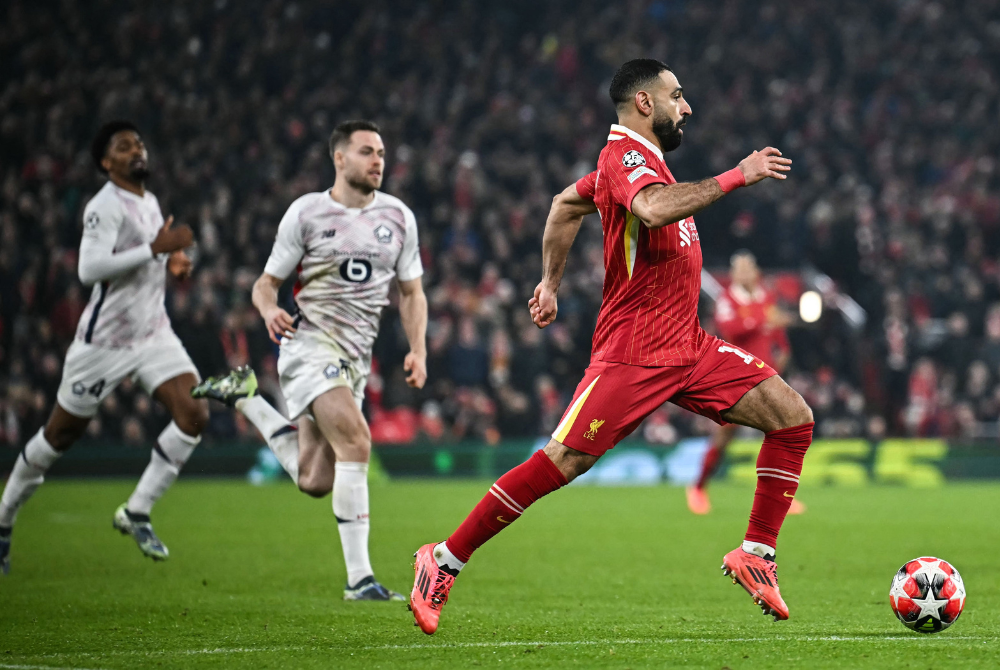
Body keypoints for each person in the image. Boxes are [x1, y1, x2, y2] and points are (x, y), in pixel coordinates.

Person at [409, 59, 812, 634]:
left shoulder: (640, 166)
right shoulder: (624, 157)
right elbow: (648, 209)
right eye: (678, 95)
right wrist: (735, 176)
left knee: (793, 417)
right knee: (563, 462)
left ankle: (756, 554)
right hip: (635, 351)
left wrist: (549, 282)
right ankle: (442, 559)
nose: (687, 106)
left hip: (689, 346)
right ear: (645, 103)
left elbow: (563, 206)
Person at [193, 120, 427, 601]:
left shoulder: (399, 217)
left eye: (381, 151)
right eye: (366, 151)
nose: (378, 160)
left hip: (356, 360)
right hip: (309, 345)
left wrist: (418, 348)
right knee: (357, 441)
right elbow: (264, 284)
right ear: (339, 159)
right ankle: (359, 579)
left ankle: (248, 401)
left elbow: (411, 292)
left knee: (314, 481)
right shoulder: (306, 214)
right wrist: (267, 309)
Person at [0, 121, 207, 573]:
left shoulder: (149, 201)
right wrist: (156, 247)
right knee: (59, 436)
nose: (137, 148)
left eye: (139, 141)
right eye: (124, 145)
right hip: (104, 343)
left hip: (153, 334)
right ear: (105, 162)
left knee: (194, 413)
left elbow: (148, 260)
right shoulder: (103, 206)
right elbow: (89, 269)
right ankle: (3, 521)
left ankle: (137, 510)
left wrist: (171, 263)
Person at [687, 250, 804, 515]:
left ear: (755, 272)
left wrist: (782, 351)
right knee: (725, 434)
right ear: (733, 274)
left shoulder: (766, 297)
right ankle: (698, 487)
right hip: (735, 378)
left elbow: (777, 332)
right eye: (739, 269)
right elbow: (731, 329)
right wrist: (763, 320)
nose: (744, 273)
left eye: (748, 268)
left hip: (764, 377)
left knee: (780, 432)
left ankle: (780, 496)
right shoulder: (728, 299)